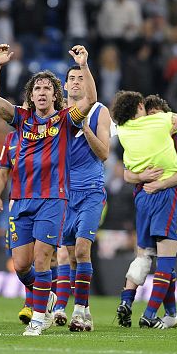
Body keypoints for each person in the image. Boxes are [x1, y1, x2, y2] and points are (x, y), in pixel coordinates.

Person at [0, 43, 96, 336]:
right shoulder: (21, 118)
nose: (43, 92)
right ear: (31, 96)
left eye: (48, 88)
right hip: (20, 200)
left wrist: (83, 65)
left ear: (55, 95)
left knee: (42, 257)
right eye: (38, 89)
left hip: (52, 199)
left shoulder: (64, 120)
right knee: (21, 265)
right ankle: (46, 295)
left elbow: (91, 99)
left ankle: (37, 318)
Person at [115, 95, 177, 331]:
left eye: (157, 114)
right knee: (156, 259)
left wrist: (160, 184)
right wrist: (142, 177)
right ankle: (171, 314)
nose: (153, 118)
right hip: (154, 201)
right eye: (150, 115)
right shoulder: (144, 138)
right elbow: (127, 174)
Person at [50, 64, 112, 332]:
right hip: (64, 194)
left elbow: (105, 153)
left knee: (83, 250)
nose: (76, 82)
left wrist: (86, 130)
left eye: (81, 78)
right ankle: (84, 309)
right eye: (71, 79)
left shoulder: (100, 112)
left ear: (88, 84)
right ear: (64, 86)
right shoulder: (57, 114)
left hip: (91, 191)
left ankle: (75, 311)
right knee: (70, 256)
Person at [0, 129, 33, 323]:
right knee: (21, 262)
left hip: (47, 203)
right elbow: (4, 170)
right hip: (17, 204)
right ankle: (42, 298)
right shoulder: (11, 138)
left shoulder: (48, 132)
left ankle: (35, 304)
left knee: (46, 257)